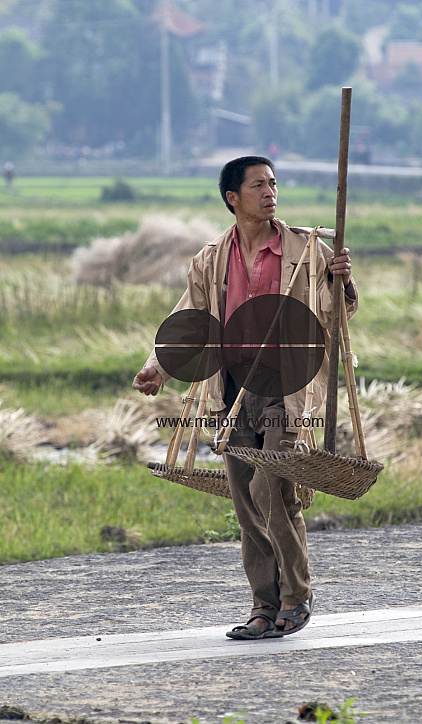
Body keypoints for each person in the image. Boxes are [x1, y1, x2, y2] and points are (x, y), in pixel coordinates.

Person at [133, 156, 358, 639]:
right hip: (232, 391)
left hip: (287, 391)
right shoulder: (211, 257)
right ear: (233, 197)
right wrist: (159, 365)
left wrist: (344, 280)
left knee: (271, 489)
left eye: (274, 183)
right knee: (245, 501)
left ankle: (297, 595)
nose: (270, 191)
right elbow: (190, 317)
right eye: (258, 184)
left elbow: (340, 316)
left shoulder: (308, 249)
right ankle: (263, 604)